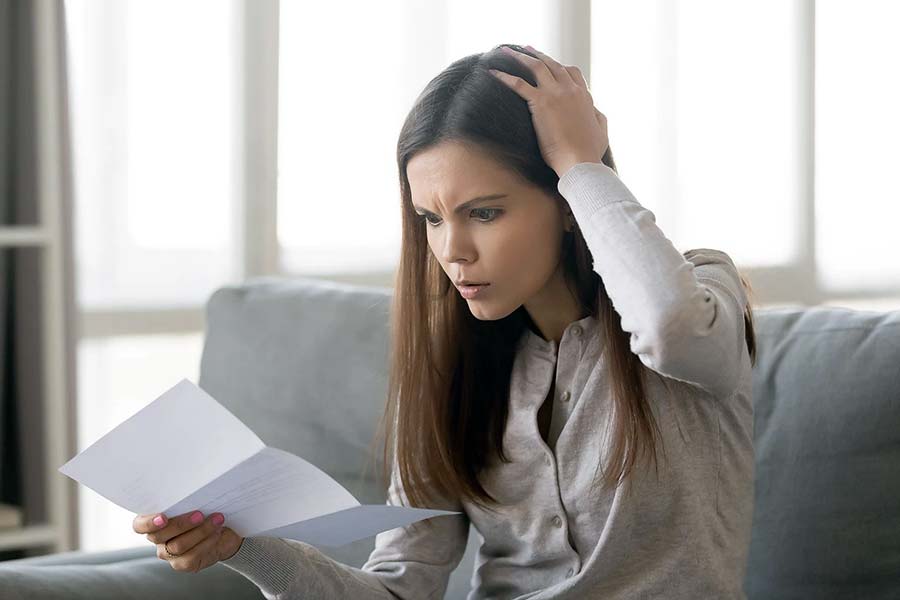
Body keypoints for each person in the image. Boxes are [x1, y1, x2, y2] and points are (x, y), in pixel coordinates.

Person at [133, 43, 757, 599]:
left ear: (570, 204)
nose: (452, 249)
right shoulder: (451, 367)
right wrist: (240, 545)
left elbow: (672, 328)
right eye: (432, 219)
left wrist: (582, 164)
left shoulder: (700, 295)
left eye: (483, 213)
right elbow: (399, 589)